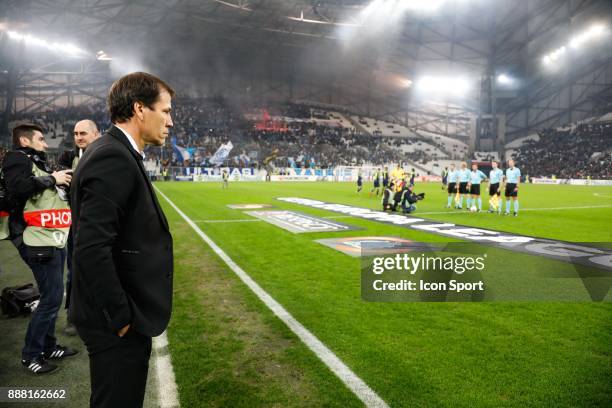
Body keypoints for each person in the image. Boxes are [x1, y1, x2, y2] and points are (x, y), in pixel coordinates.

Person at [70, 72, 175, 407]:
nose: (170, 121)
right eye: (166, 111)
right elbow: (90, 247)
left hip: (116, 314)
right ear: (140, 109)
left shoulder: (115, 152)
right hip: (113, 321)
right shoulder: (112, 156)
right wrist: (120, 317)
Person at [2, 123, 77, 374]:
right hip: (36, 239)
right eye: (41, 139)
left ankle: (48, 346)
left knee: (53, 298)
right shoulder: (16, 157)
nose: (46, 144)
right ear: (24, 141)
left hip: (52, 237)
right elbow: (17, 188)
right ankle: (31, 355)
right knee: (50, 299)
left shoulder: (33, 160)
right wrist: (51, 179)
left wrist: (58, 182)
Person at [58, 119, 101, 336]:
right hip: (77, 224)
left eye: (83, 133)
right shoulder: (70, 157)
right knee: (74, 271)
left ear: (96, 134)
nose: (78, 137)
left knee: (103, 268)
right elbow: (63, 187)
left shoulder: (105, 155)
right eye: (75, 134)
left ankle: (101, 313)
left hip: (101, 223)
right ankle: (73, 316)